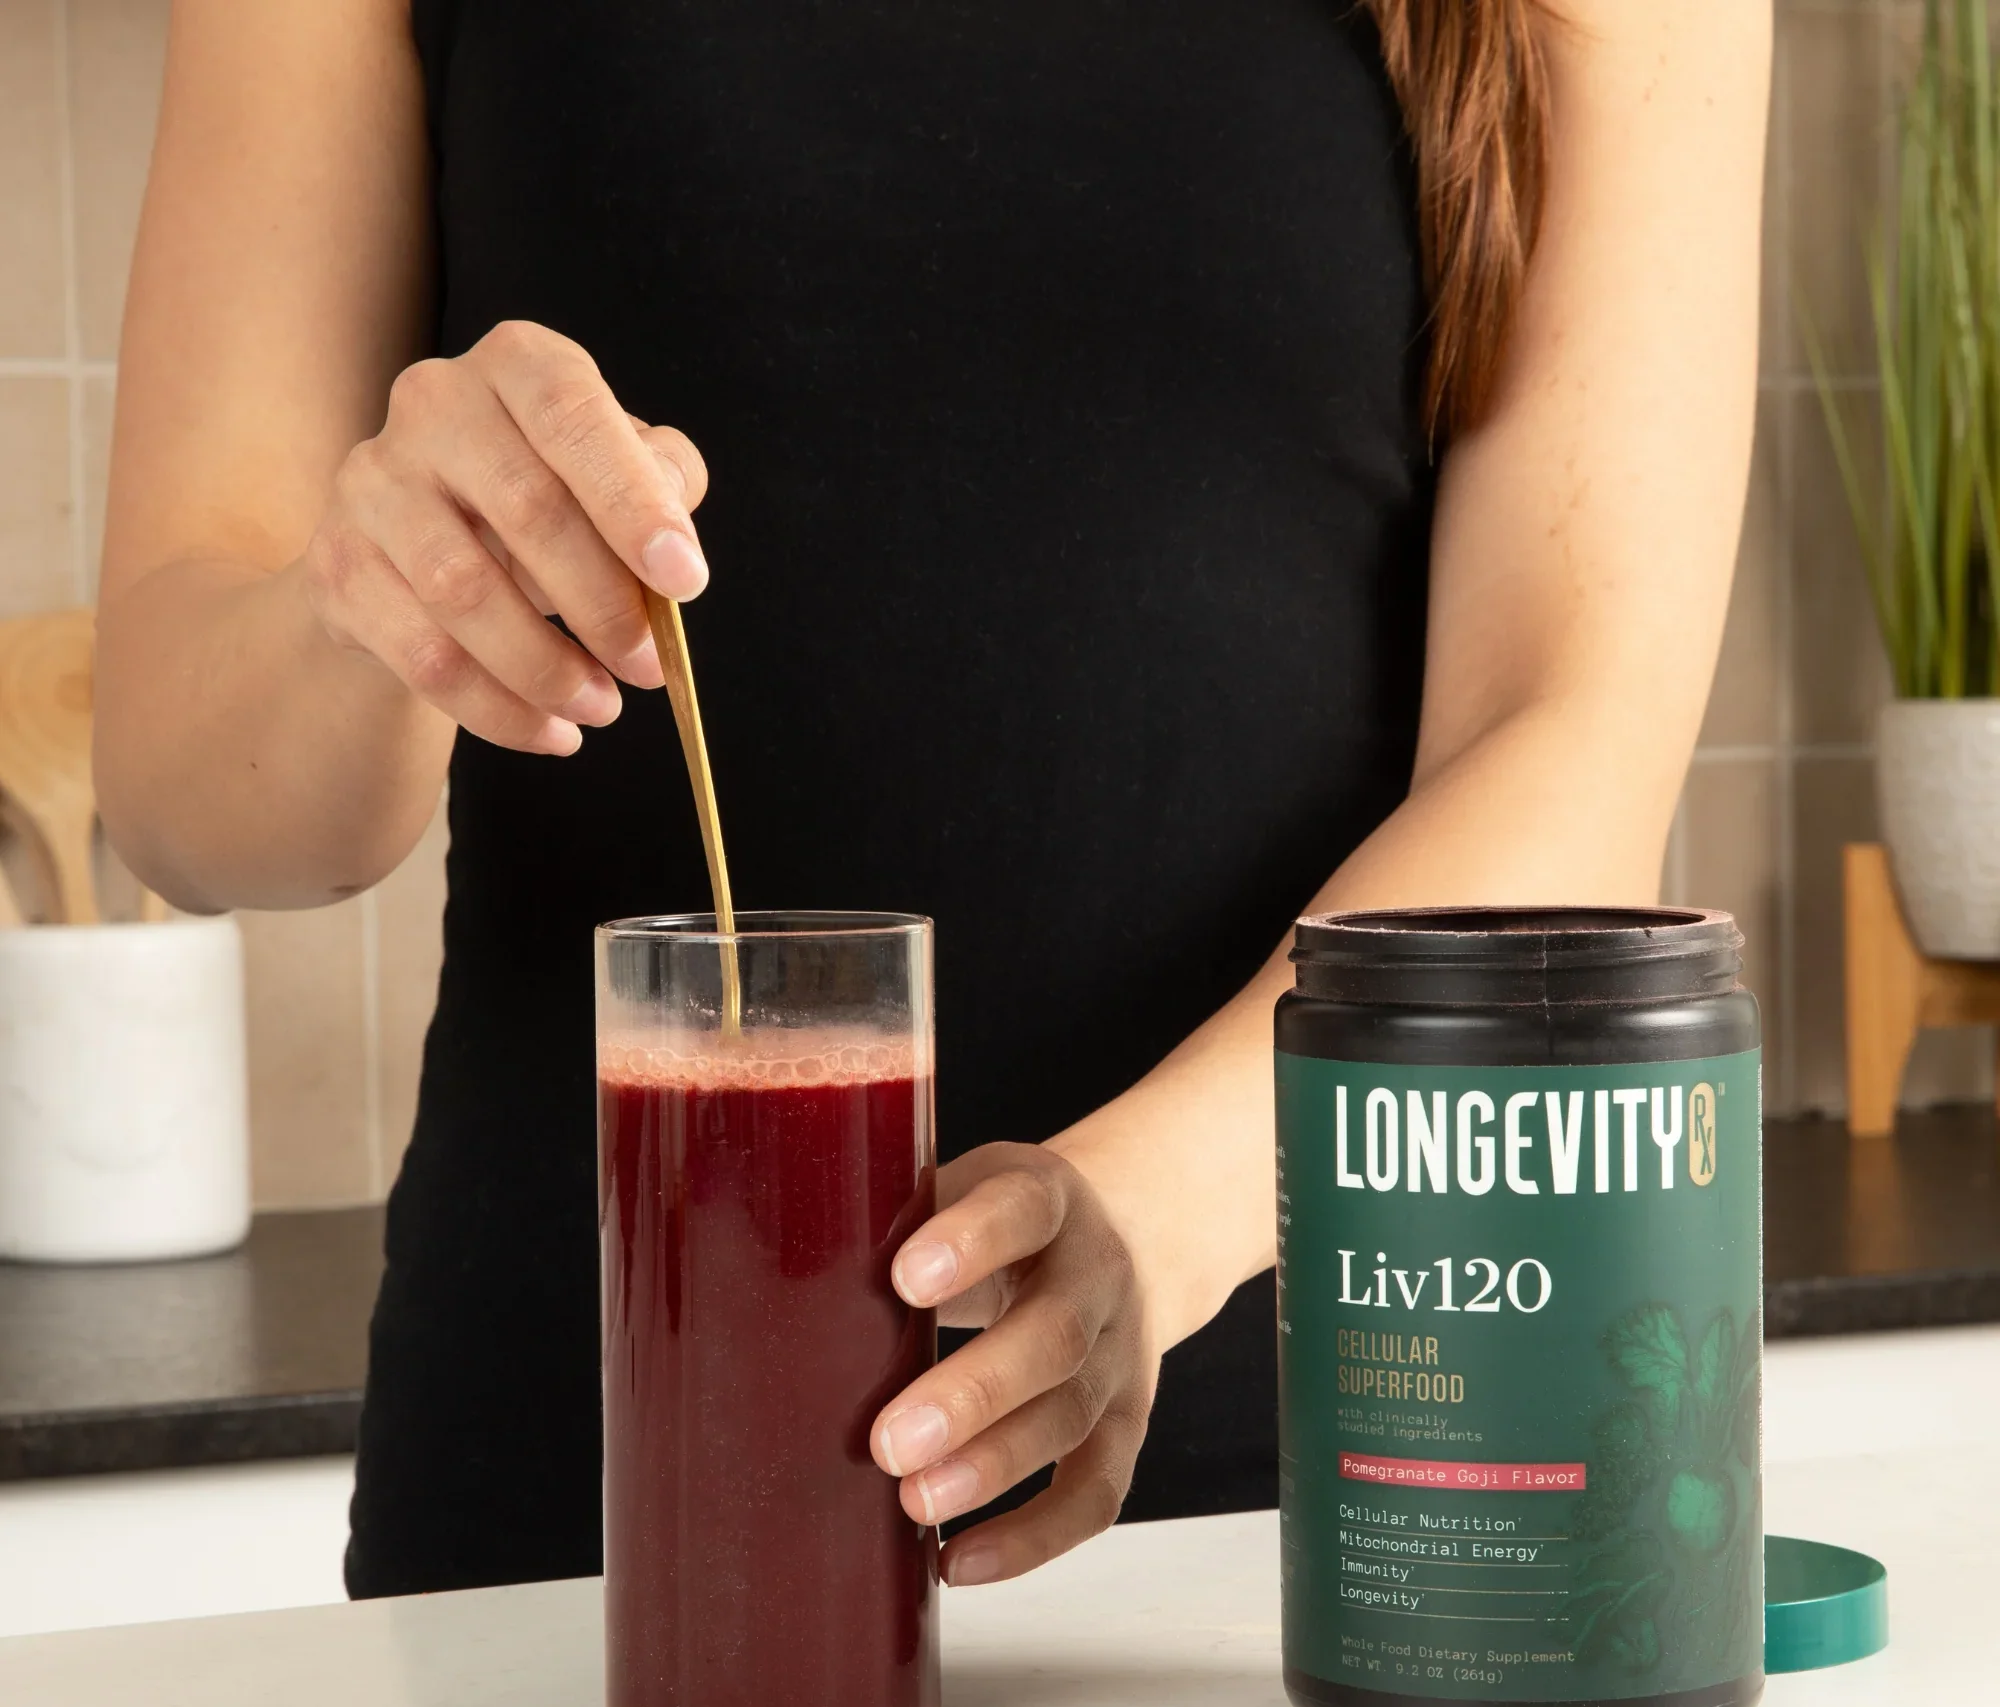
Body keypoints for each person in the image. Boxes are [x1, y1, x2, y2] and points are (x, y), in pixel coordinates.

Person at [95, 0, 1769, 1598]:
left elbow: (1568, 732)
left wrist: (1140, 1229)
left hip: (1322, 1516)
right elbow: (184, 794)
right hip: (591, 1508)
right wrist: (374, 600)